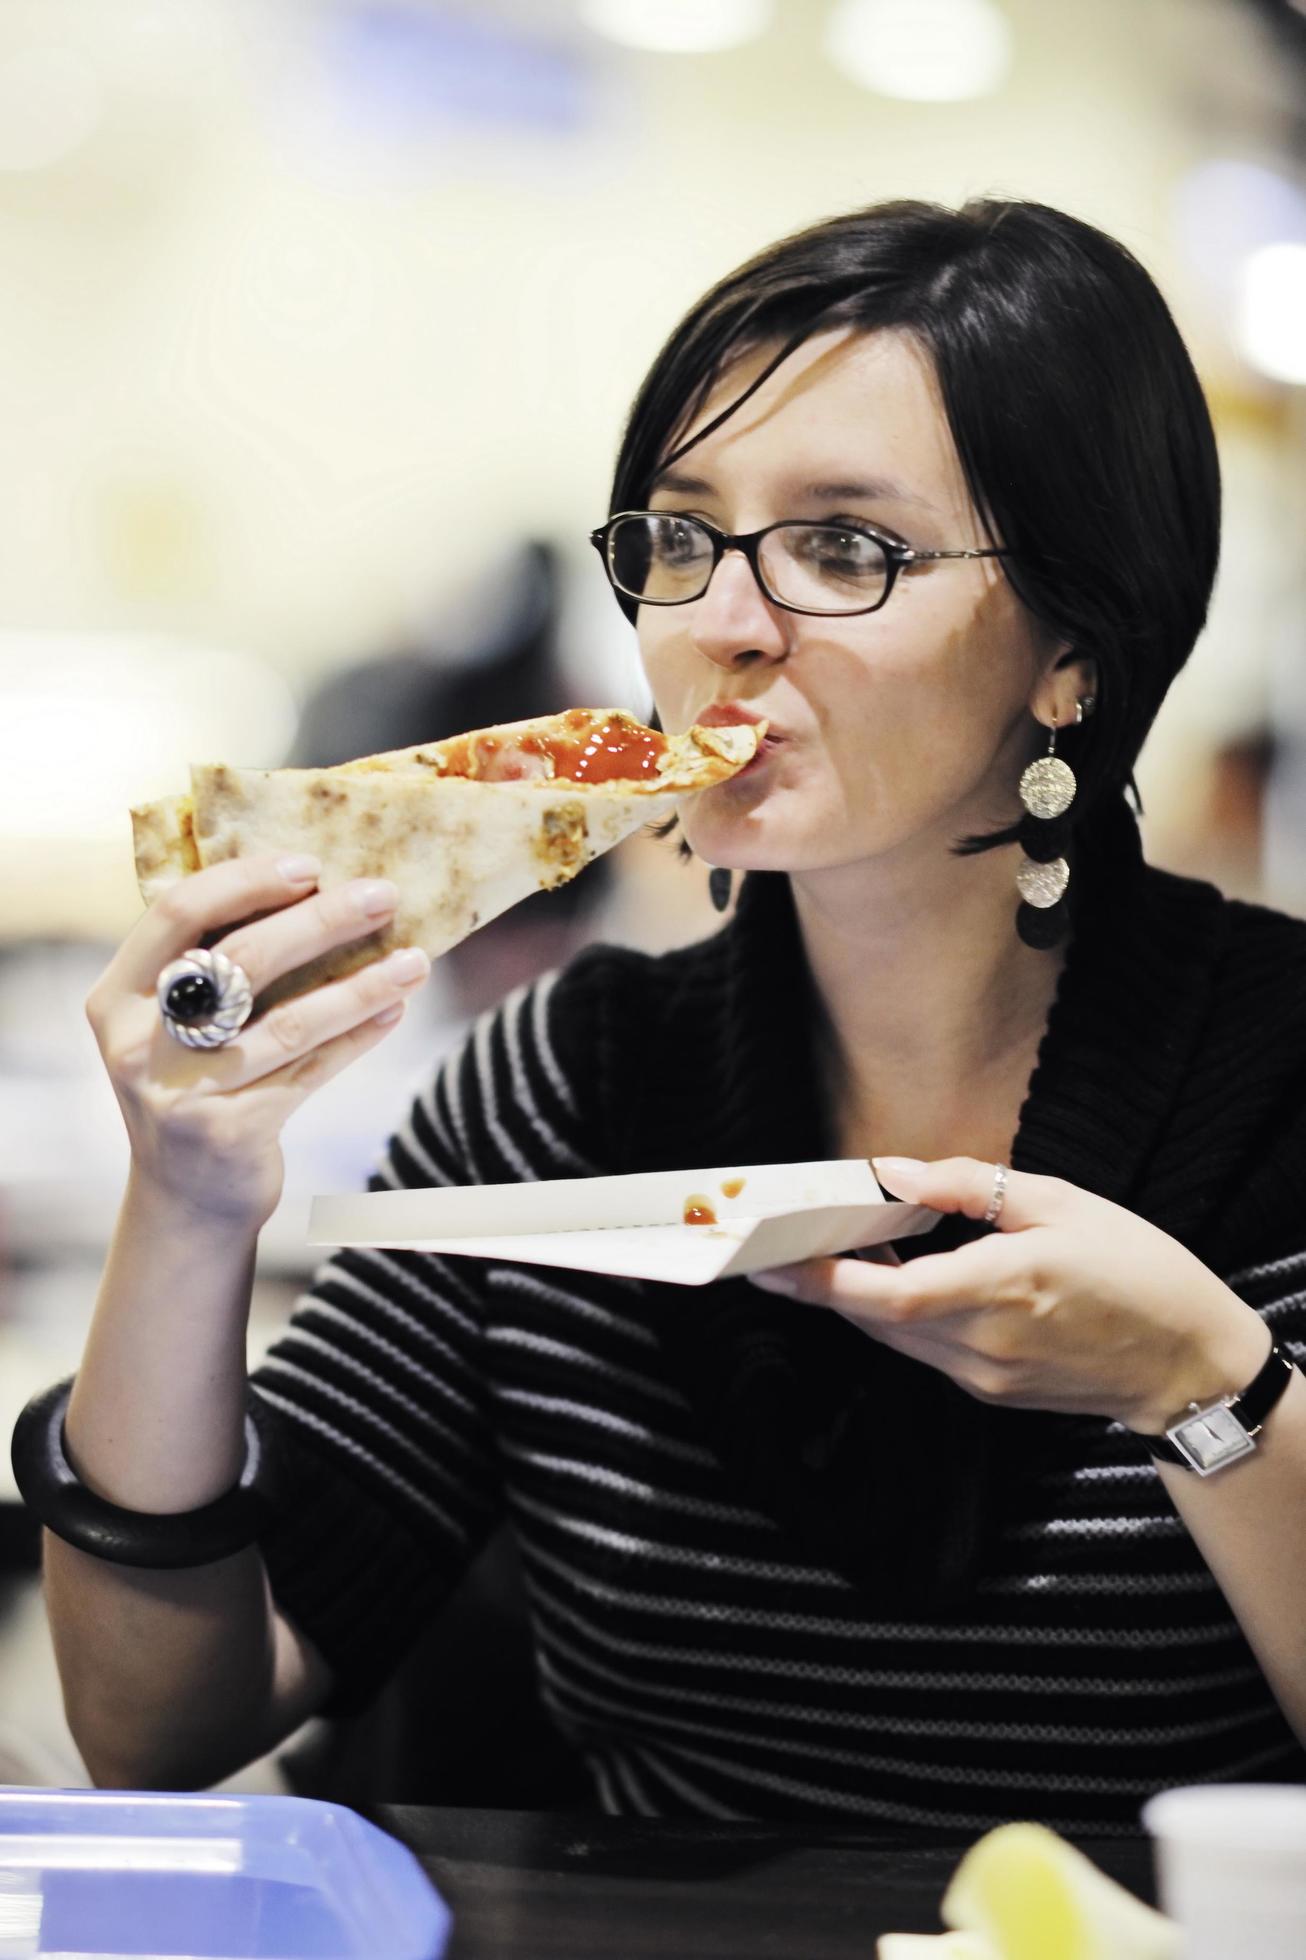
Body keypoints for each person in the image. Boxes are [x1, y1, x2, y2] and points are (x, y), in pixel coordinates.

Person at [21, 198, 1306, 1831]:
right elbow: (157, 1732)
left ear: (1073, 646)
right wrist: (186, 1199)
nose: (720, 627)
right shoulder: (565, 1090)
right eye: (682, 537)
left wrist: (1207, 1384)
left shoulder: (1279, 1091)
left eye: (847, 547)